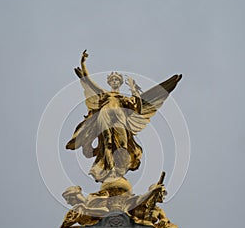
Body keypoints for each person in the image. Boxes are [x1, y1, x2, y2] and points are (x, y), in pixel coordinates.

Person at [66, 50, 182, 183]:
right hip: (104, 115)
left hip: (120, 118)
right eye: (112, 79)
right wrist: (83, 63)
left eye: (116, 79)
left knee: (123, 144)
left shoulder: (125, 99)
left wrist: (133, 89)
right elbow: (89, 81)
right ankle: (110, 170)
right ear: (109, 82)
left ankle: (120, 169)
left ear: (120, 82)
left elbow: (138, 107)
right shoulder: (105, 94)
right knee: (108, 142)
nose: (114, 81)